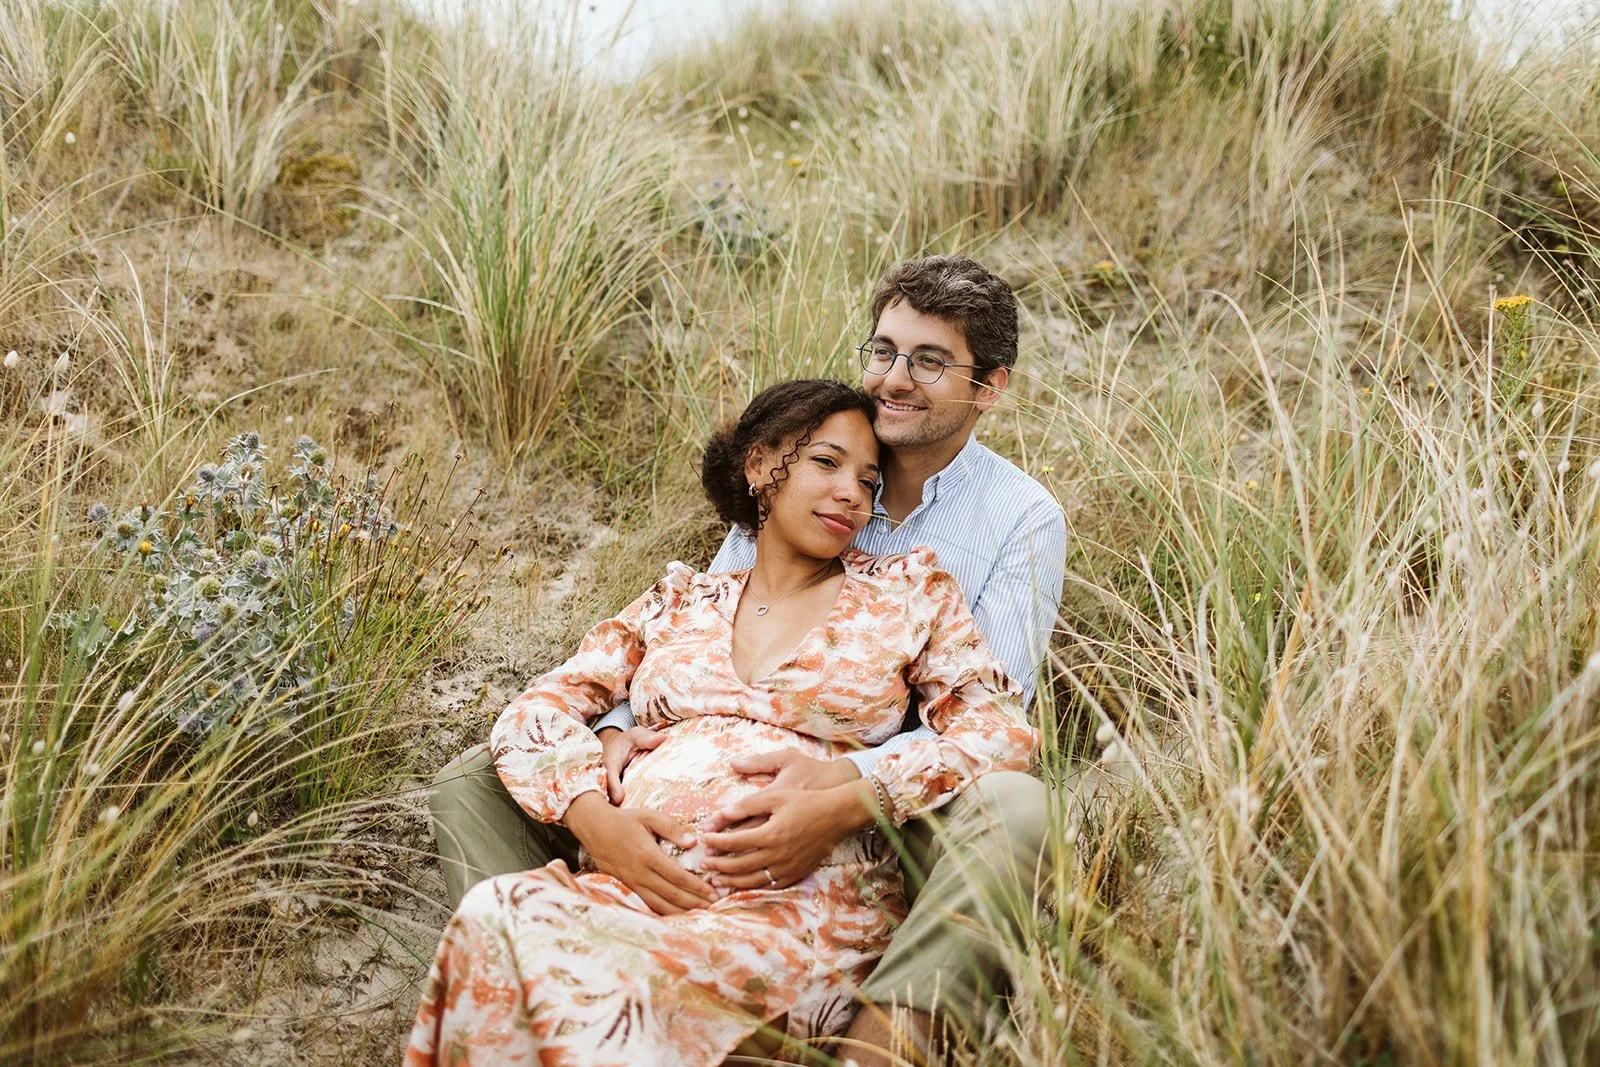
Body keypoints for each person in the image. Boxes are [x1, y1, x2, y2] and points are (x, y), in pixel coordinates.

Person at [427, 254, 1067, 1059]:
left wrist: (842, 788)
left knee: (1015, 805)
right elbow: (707, 646)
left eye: (929, 361)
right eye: (884, 352)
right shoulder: (714, 566)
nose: (895, 379)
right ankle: (560, 956)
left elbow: (992, 725)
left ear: (989, 387)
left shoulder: (994, 536)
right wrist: (614, 760)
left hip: (876, 810)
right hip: (674, 832)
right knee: (473, 777)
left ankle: (879, 1042)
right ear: (765, 471)